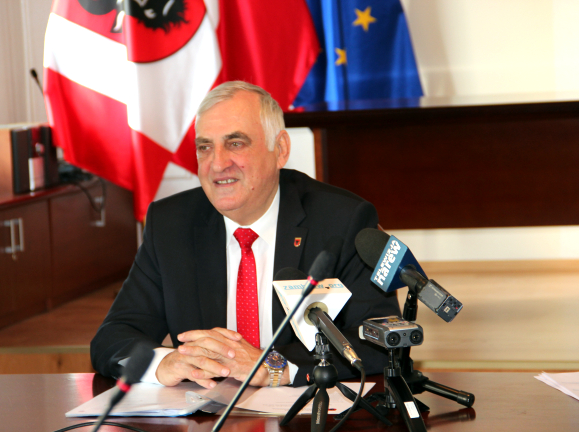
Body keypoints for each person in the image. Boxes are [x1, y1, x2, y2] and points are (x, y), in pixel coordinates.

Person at [91, 81, 400, 388]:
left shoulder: (342, 220)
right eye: (205, 147)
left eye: (235, 143)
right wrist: (163, 363)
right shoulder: (171, 225)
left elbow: (383, 341)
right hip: (208, 409)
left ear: (280, 150)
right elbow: (112, 337)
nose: (217, 164)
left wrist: (273, 366)